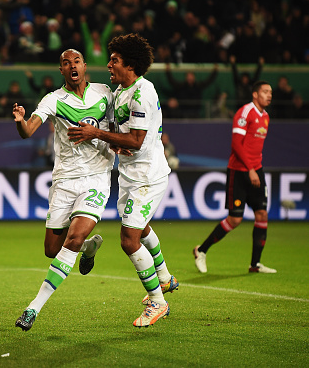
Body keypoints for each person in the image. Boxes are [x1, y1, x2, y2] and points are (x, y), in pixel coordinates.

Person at [67, 34, 178, 328]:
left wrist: (98, 134)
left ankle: (158, 302)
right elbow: (128, 137)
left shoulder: (142, 92)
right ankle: (165, 278)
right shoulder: (121, 91)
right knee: (141, 229)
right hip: (129, 175)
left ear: (130, 64)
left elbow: (138, 140)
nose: (109, 64)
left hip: (147, 177)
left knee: (128, 240)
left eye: (115, 60)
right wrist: (117, 143)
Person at [13, 49, 115, 332]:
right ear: (61, 70)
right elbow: (29, 130)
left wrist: (116, 140)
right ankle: (89, 248)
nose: (72, 65)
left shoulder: (104, 93)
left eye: (77, 61)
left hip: (96, 178)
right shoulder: (53, 100)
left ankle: (33, 307)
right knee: (51, 249)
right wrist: (21, 120)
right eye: (66, 63)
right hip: (65, 181)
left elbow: (119, 123)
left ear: (84, 66)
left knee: (74, 235)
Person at [193, 81, 276, 274]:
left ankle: (255, 265)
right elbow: (237, 145)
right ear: (255, 94)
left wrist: (256, 169)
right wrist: (250, 169)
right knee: (235, 220)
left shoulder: (266, 117)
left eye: (270, 92)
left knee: (262, 214)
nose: (269, 95)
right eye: (265, 92)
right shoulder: (245, 112)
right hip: (239, 171)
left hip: (257, 170)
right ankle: (201, 250)